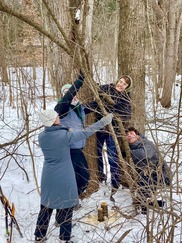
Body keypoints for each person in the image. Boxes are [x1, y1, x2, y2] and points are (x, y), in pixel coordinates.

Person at [34, 109, 113, 243]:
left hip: (48, 176)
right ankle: (64, 238)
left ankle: (39, 235)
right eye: (56, 116)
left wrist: (66, 130)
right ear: (53, 121)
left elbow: (55, 134)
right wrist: (103, 122)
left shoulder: (42, 136)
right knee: (66, 203)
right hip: (64, 174)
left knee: (46, 205)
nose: (58, 116)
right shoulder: (65, 136)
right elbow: (86, 132)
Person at [54, 72, 97, 197]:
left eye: (71, 91)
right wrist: (79, 82)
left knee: (84, 177)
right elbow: (67, 98)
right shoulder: (61, 109)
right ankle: (69, 200)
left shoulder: (79, 108)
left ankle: (74, 197)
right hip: (68, 149)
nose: (70, 94)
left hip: (78, 148)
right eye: (66, 92)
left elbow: (96, 105)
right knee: (72, 177)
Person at [95, 75, 132, 192]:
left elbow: (127, 115)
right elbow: (97, 89)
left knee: (112, 156)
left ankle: (115, 182)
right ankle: (101, 176)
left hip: (113, 131)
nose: (121, 84)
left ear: (127, 87)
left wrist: (115, 107)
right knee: (97, 153)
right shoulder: (107, 88)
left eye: (124, 84)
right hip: (100, 127)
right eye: (120, 81)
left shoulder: (125, 98)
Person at [126, 127, 171, 214]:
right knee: (142, 180)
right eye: (127, 135)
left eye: (131, 133)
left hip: (161, 173)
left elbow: (144, 154)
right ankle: (149, 202)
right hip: (149, 173)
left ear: (137, 135)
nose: (129, 136)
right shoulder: (133, 146)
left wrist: (129, 153)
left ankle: (145, 207)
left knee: (144, 182)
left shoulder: (146, 143)